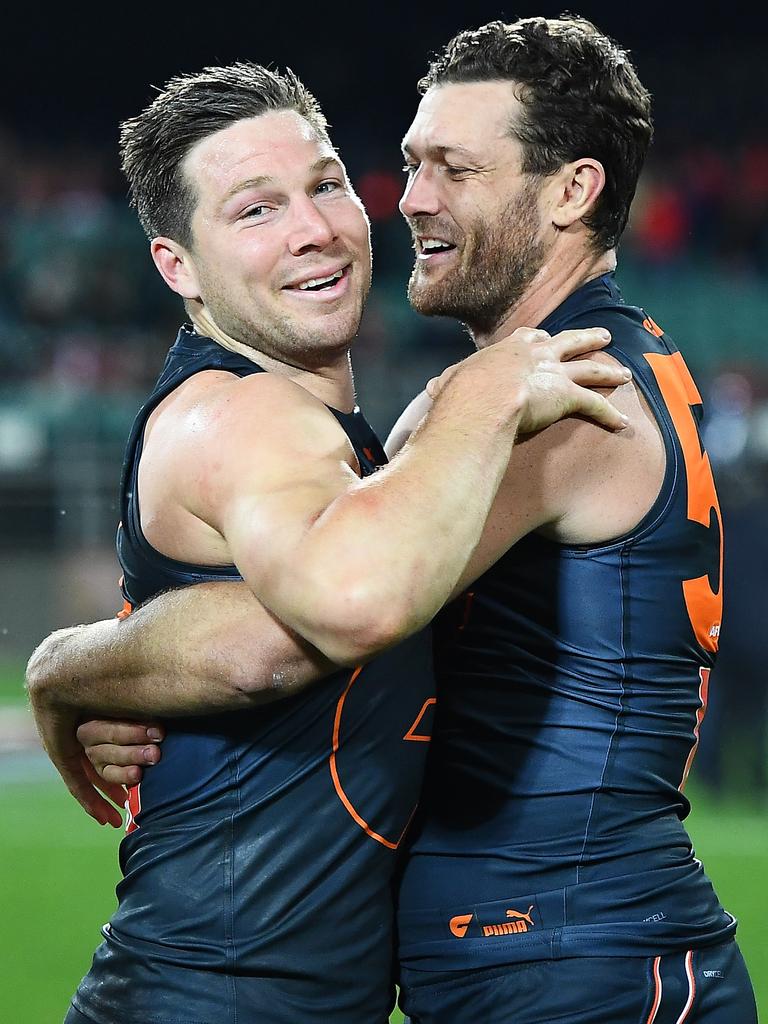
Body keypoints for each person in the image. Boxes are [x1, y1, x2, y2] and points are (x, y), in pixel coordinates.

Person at [28, 15, 759, 1024]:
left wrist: (67, 668)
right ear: (176, 264)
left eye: (452, 168)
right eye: (408, 165)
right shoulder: (520, 386)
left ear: (571, 190)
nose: (405, 200)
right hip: (523, 959)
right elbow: (326, 599)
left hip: (577, 958)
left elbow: (316, 617)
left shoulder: (561, 390)